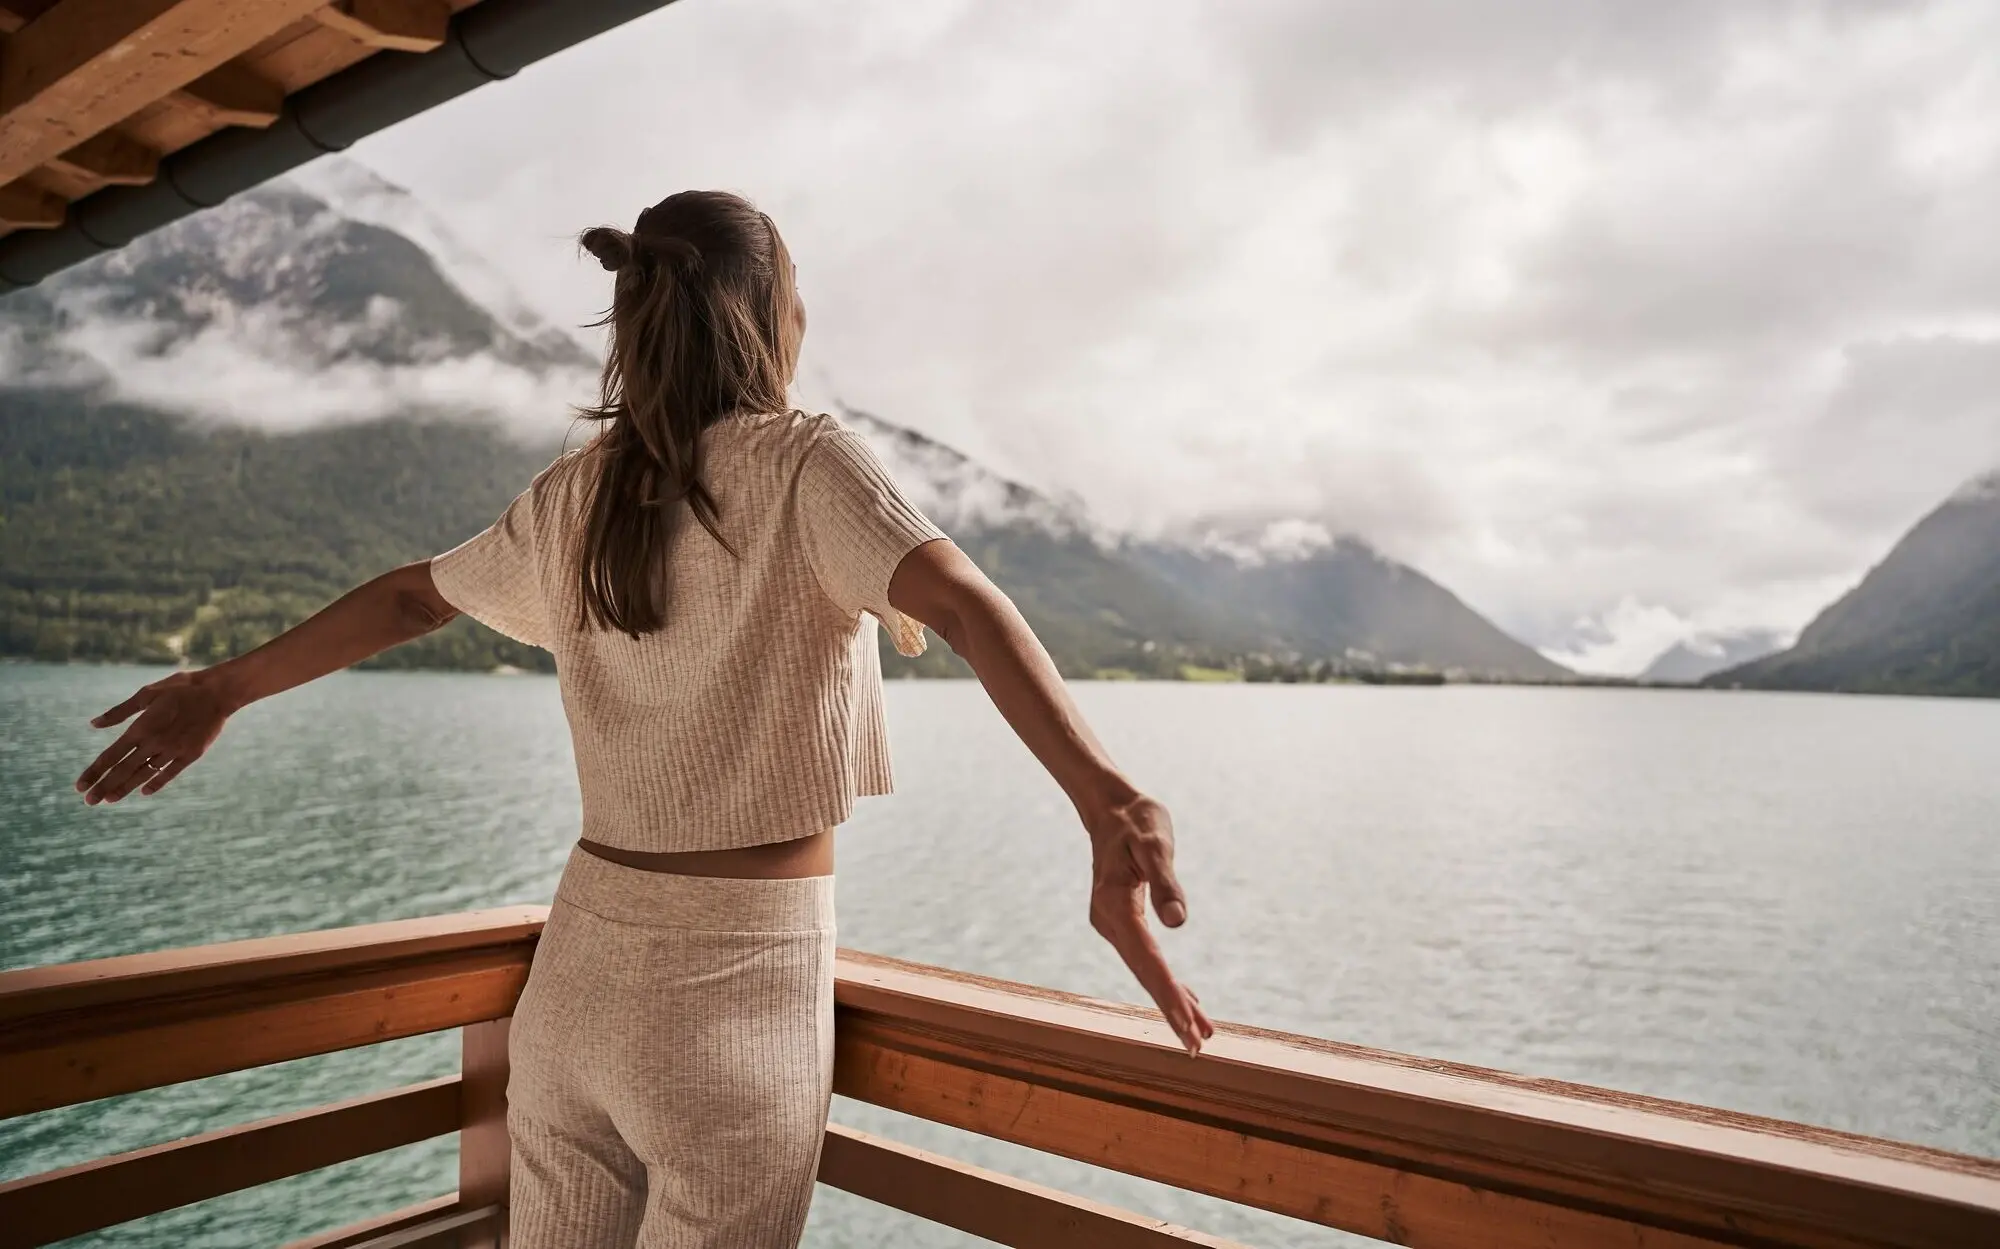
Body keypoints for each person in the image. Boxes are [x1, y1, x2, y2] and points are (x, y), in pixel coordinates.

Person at [73, 189, 1212, 1248]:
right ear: (770, 314)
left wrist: (221, 687)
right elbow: (963, 605)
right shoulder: (807, 464)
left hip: (572, 992)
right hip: (738, 994)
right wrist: (1106, 798)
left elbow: (414, 596)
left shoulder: (575, 495)